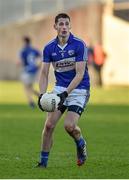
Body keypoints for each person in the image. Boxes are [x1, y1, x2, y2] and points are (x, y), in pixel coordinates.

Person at [37, 13, 90, 168]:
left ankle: (80, 143)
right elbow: (44, 73)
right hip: (60, 88)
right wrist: (41, 95)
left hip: (79, 89)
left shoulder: (79, 45)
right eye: (61, 24)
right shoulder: (48, 48)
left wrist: (65, 94)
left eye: (67, 24)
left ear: (70, 26)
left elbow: (80, 74)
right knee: (48, 126)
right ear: (55, 27)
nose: (64, 27)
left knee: (70, 127)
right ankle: (43, 163)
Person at [18, 36, 41, 108]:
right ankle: (37, 97)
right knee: (30, 86)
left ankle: (33, 100)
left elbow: (21, 61)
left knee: (26, 87)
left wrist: (19, 64)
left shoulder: (23, 51)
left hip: (27, 70)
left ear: (25, 42)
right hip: (34, 70)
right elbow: (41, 57)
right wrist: (38, 66)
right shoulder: (34, 50)